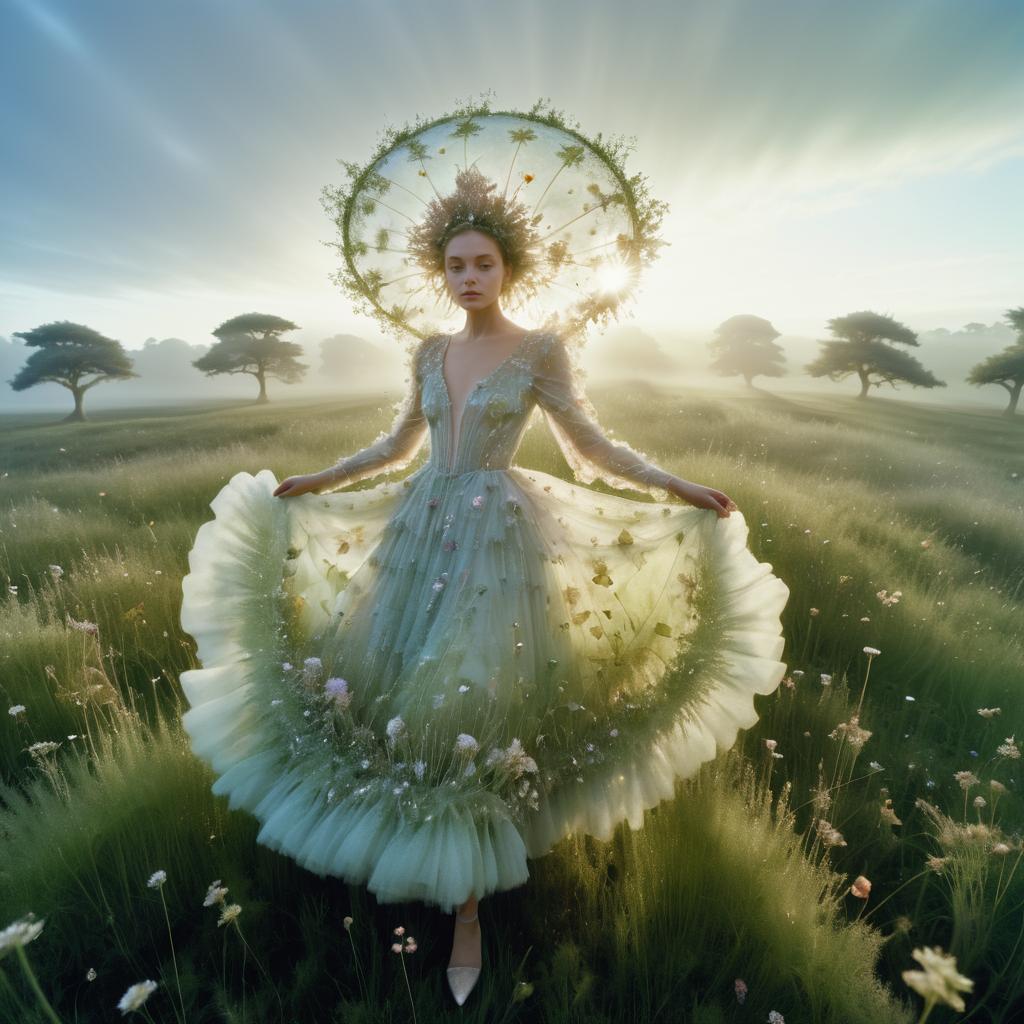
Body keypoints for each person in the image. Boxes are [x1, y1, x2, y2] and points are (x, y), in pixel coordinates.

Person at [179, 154, 789, 1009]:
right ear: (442, 273)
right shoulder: (429, 351)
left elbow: (590, 447)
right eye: (456, 266)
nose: (469, 278)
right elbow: (397, 446)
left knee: (470, 706)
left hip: (500, 543)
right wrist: (317, 482)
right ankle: (410, 854)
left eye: (484, 264)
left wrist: (676, 486)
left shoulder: (540, 349)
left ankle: (467, 911)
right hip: (418, 534)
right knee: (399, 696)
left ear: (509, 268)